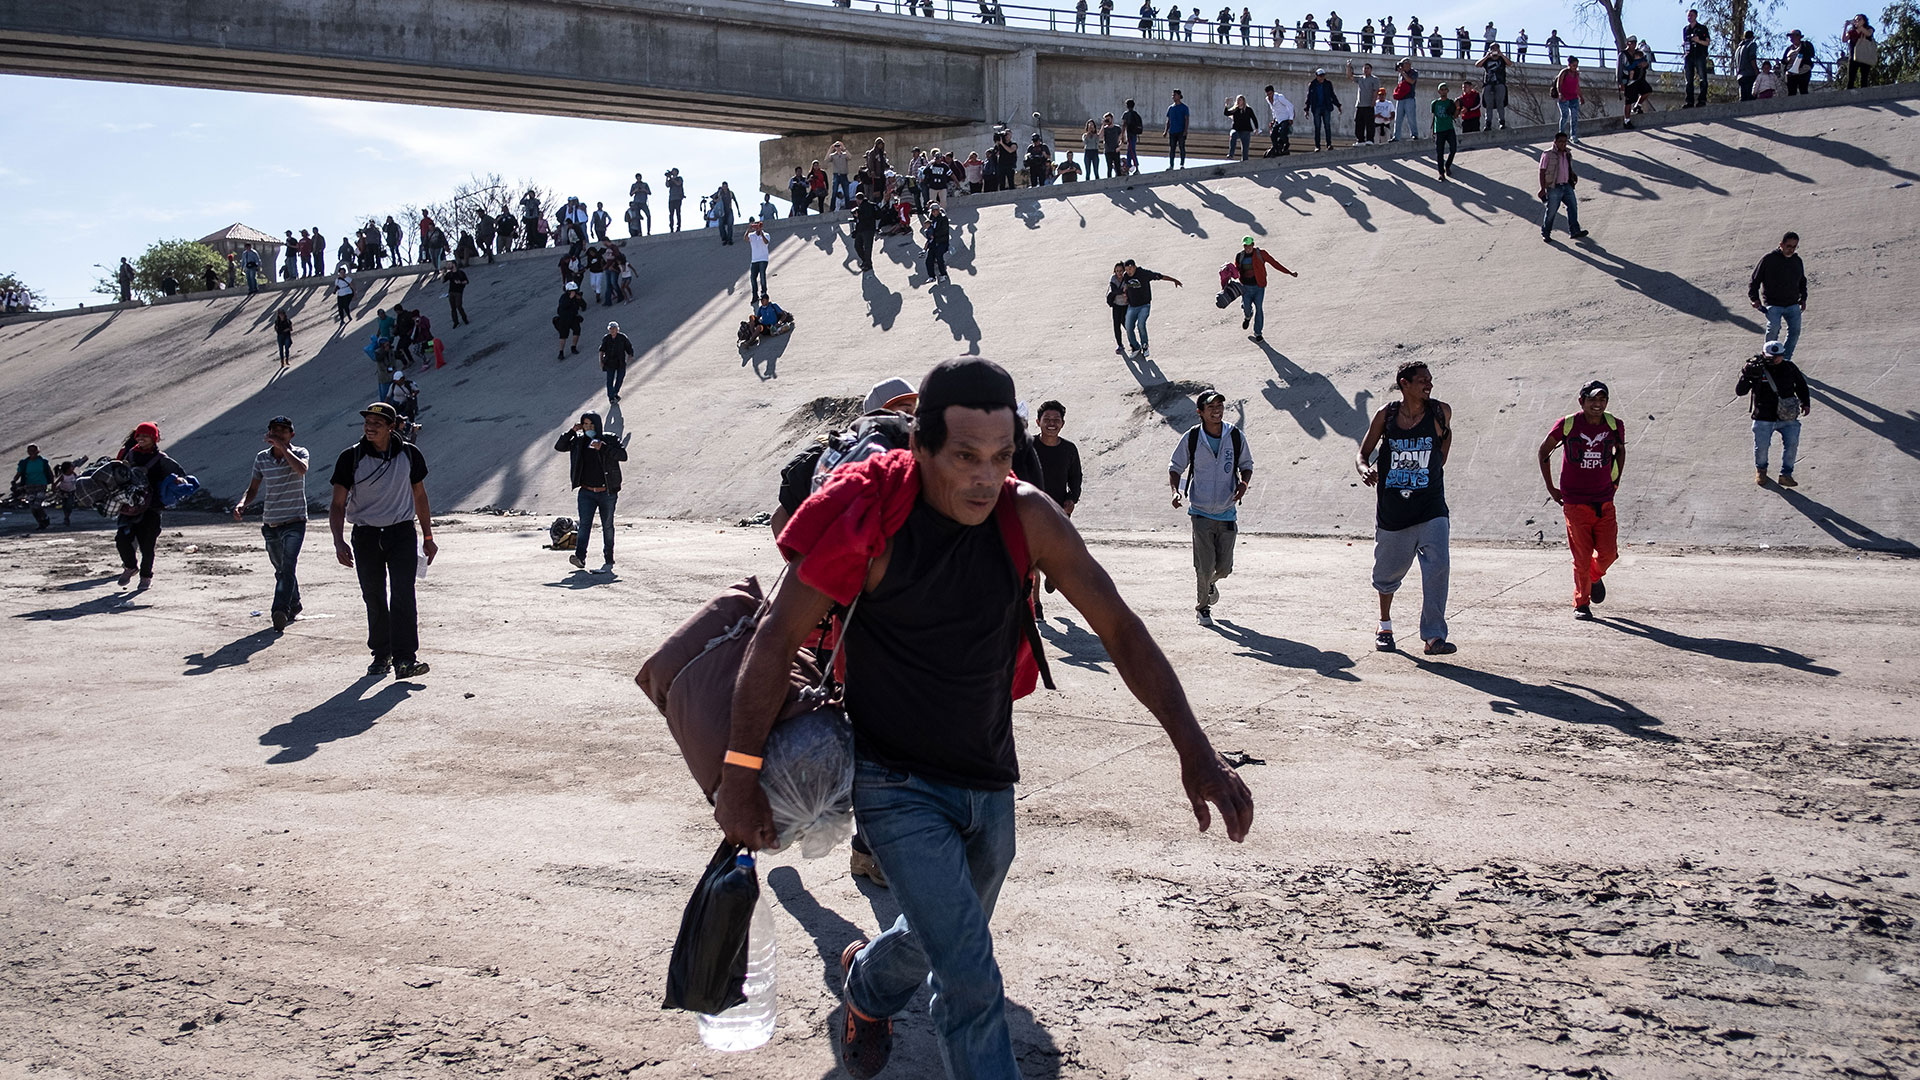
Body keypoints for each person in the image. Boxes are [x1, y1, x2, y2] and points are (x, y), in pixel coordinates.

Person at [717, 358, 1254, 1080]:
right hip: (892, 781)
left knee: (941, 931)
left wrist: (1195, 749)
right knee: (968, 974)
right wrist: (740, 771)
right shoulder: (871, 514)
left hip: (988, 776)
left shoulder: (1027, 516)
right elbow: (776, 635)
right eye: (965, 457)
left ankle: (867, 986)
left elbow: (1120, 628)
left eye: (1001, 457)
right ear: (921, 448)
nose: (983, 477)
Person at [330, 402, 434, 679]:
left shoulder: (410, 455)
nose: (370, 427)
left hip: (400, 533)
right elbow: (338, 504)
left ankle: (405, 659)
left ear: (391, 426)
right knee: (374, 596)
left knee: (403, 593)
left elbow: (420, 496)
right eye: (367, 422)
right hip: (365, 536)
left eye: (377, 423)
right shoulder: (350, 458)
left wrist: (428, 535)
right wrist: (338, 541)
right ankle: (381, 654)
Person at [1356, 361, 1454, 655]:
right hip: (1393, 510)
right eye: (1423, 380)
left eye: (1431, 380)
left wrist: (1421, 474)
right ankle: (1384, 625)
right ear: (1404, 383)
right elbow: (1363, 453)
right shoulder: (1386, 415)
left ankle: (1434, 636)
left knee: (1438, 569)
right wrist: (1364, 470)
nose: (1429, 384)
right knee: (1387, 575)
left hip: (1432, 507)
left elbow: (1442, 457)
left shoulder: (1440, 412)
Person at [1537, 382, 1626, 619]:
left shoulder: (1614, 424)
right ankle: (1581, 603)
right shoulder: (1568, 424)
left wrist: (1615, 482)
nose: (1597, 405)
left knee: (1609, 553)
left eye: (1602, 400)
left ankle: (1594, 576)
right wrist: (1551, 487)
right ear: (1582, 401)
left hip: (1604, 499)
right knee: (1582, 557)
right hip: (1575, 502)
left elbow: (1620, 450)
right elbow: (1543, 452)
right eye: (1592, 400)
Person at [1169, 390, 1253, 626]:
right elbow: (1175, 466)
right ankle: (1202, 608)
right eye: (1211, 407)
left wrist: (1244, 484)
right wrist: (1175, 491)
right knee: (1203, 566)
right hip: (1201, 511)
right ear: (1200, 412)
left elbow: (1247, 464)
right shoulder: (1192, 437)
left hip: (1227, 511)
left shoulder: (1235, 436)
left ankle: (1211, 583)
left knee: (1225, 568)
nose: (1217, 410)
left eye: (1220, 406)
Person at [233, 415, 311, 631]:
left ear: (291, 435)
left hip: (295, 520)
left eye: (283, 431)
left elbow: (301, 470)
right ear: (268, 434)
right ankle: (294, 604)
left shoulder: (300, 452)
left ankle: (280, 610)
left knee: (288, 566)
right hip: (271, 522)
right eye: (274, 430)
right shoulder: (261, 459)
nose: (278, 434)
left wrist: (283, 448)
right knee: (281, 570)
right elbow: (254, 489)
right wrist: (242, 504)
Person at [113, 423, 186, 589]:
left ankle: (145, 576)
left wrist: (178, 481)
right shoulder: (129, 455)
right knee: (121, 540)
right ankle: (130, 566)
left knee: (147, 546)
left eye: (145, 436)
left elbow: (180, 476)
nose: (141, 438)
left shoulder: (162, 460)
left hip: (152, 507)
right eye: (139, 435)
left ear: (154, 439)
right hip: (129, 506)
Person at [555, 412, 626, 573]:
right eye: (585, 424)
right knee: (584, 525)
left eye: (591, 425)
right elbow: (560, 446)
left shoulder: (609, 438)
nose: (588, 428)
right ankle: (580, 557)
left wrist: (604, 448)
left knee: (607, 525)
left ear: (597, 425)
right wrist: (572, 431)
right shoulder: (579, 441)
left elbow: (623, 456)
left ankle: (609, 556)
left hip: (606, 492)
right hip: (586, 492)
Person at [1738, 341, 1811, 487]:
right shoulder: (1757, 369)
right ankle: (1761, 470)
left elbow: (1801, 385)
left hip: (1788, 416)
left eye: (1779, 356)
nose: (1775, 359)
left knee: (1792, 444)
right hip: (1763, 417)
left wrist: (1806, 402)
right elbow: (1740, 391)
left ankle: (1786, 474)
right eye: (1772, 356)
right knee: (1762, 447)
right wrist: (1746, 375)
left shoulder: (1789, 367)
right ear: (1764, 355)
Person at [1749, 232, 1808, 361]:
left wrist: (1803, 299)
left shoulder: (1797, 261)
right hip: (1773, 304)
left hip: (1792, 304)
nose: (1791, 249)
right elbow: (1755, 280)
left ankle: (1785, 359)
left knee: (1795, 331)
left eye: (1794, 246)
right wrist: (1754, 299)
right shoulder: (1768, 259)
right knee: (1774, 329)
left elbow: (1802, 281)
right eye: (1788, 246)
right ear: (1781, 244)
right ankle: (1768, 357)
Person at [1230, 238, 1296, 344]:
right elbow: (1236, 271)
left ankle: (1258, 333)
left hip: (1259, 287)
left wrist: (1289, 272)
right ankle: (1247, 316)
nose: (1247, 248)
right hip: (1245, 288)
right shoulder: (1240, 256)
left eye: (1249, 246)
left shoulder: (1261, 254)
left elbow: (1274, 263)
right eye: (1245, 246)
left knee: (1259, 309)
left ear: (1253, 245)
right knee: (1246, 307)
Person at [1032, 401, 1082, 523]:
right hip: (1030, 511)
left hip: (1058, 512)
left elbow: (1075, 478)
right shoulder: (1027, 446)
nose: (1052, 423)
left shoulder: (1069, 449)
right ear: (1038, 422)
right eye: (1047, 419)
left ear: (1063, 423)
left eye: (1056, 420)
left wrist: (1071, 499)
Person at [1121, 259, 1180, 358]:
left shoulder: (1144, 273)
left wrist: (1174, 280)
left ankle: (1145, 346)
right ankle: (1135, 347)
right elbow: (1126, 284)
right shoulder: (1126, 276)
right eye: (1126, 270)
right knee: (1128, 327)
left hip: (1144, 305)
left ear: (1135, 267)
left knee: (1141, 324)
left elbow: (1160, 276)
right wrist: (1125, 291)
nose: (1129, 272)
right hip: (1132, 306)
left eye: (1130, 269)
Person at [1538, 131, 1588, 243]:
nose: (1563, 144)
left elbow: (1568, 167)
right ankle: (1546, 233)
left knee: (1573, 207)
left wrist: (1573, 175)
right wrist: (1542, 188)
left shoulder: (1567, 153)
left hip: (1566, 186)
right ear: (1555, 142)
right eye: (1560, 142)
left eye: (1565, 142)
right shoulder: (1547, 154)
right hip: (1554, 187)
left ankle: (1574, 231)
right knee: (1551, 211)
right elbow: (1542, 171)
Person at [12, 444, 55, 530]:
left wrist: (53, 484)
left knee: (37, 505)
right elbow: (19, 473)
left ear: (37, 451)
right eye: (30, 450)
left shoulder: (43, 462)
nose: (31, 452)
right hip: (29, 486)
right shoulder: (24, 463)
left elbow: (50, 473)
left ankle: (45, 518)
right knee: (32, 507)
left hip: (41, 485)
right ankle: (40, 523)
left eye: (33, 450)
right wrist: (14, 481)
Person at [1305, 69, 1342, 151]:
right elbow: (1309, 98)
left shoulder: (1328, 84)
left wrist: (1338, 105)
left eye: (1323, 76)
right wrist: (1306, 109)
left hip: (1326, 107)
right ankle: (1317, 146)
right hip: (1316, 108)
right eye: (1320, 76)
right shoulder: (1312, 85)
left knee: (1327, 126)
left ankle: (1329, 144)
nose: (1322, 77)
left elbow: (1332, 95)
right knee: (1317, 127)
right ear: (1317, 76)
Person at [599, 320, 635, 404]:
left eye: (614, 328)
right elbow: (601, 351)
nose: (612, 330)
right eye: (611, 329)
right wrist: (601, 362)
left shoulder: (622, 337)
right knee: (609, 380)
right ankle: (611, 397)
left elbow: (629, 347)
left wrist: (630, 355)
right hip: (609, 362)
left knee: (620, 378)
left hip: (620, 362)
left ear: (617, 329)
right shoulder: (606, 338)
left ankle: (615, 393)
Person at [1345, 61, 1381, 143]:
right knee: (1359, 123)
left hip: (1369, 105)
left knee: (1370, 123)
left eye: (1368, 68)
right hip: (1360, 105)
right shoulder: (1360, 78)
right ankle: (1360, 139)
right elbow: (1349, 76)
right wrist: (1348, 67)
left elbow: (1375, 91)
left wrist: (1373, 101)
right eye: (1364, 68)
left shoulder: (1375, 79)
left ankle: (1370, 139)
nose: (1366, 70)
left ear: (1371, 70)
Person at [1476, 43, 1510, 130]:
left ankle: (1502, 122)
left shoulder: (1502, 59)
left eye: (1496, 48)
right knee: (1488, 105)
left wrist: (1501, 55)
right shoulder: (1487, 60)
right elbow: (1477, 64)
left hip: (1500, 83)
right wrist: (1487, 56)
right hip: (1488, 84)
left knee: (1500, 104)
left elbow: (1510, 63)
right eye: (1492, 48)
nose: (1494, 50)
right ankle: (1488, 124)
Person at [1683, 8, 1711, 107]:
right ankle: (1689, 101)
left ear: (1696, 16)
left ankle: (1702, 100)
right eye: (1688, 15)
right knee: (1688, 80)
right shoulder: (1685, 29)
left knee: (1702, 78)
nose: (1689, 17)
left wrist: (1698, 40)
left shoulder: (1702, 28)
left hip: (1700, 55)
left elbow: (1707, 42)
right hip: (1689, 56)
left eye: (1691, 15)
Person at [849, 192, 882, 274]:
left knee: (864, 247)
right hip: (863, 230)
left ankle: (867, 263)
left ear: (859, 200)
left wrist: (858, 216)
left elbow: (868, 217)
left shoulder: (869, 206)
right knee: (861, 246)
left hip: (867, 229)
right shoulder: (864, 207)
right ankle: (866, 262)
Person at [1431, 82, 1458, 180]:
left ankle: (1448, 165)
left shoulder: (1450, 103)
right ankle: (1441, 173)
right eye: (1441, 89)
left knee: (1453, 149)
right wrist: (1433, 130)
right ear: (1439, 91)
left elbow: (1455, 115)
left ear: (1448, 91)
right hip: (1439, 130)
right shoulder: (1435, 103)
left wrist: (1457, 108)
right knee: (1439, 152)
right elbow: (1434, 116)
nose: (1443, 91)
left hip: (1449, 128)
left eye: (1445, 89)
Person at [553, 283, 587, 359]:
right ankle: (561, 352)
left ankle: (573, 347)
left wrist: (580, 299)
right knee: (563, 336)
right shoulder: (563, 298)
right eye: (573, 291)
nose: (574, 292)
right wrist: (570, 299)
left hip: (573, 318)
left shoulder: (576, 298)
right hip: (564, 319)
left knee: (577, 331)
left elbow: (584, 305)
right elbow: (563, 306)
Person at [1845, 14, 1878, 89]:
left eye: (1859, 19)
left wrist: (1860, 27)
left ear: (1864, 21)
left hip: (1865, 55)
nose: (1857, 21)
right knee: (1851, 78)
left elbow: (1868, 34)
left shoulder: (1869, 28)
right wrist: (1845, 27)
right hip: (1853, 56)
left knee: (1864, 77)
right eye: (1856, 20)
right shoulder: (1852, 32)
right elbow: (1844, 39)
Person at [1551, 55, 1580, 141]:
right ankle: (1562, 135)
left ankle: (1573, 135)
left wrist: (1581, 96)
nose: (1575, 67)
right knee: (1565, 116)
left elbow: (1577, 86)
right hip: (1564, 97)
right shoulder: (1564, 72)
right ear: (1569, 64)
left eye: (1576, 65)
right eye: (1574, 65)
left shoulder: (1576, 74)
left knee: (1574, 116)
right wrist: (1560, 93)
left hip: (1574, 97)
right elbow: (1558, 84)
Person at [1223, 94, 1258, 161]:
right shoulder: (1235, 109)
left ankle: (1244, 161)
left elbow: (1254, 118)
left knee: (1245, 148)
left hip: (1246, 131)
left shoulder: (1248, 110)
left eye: (1240, 100)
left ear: (1243, 101)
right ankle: (1231, 155)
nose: (1238, 101)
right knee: (1233, 135)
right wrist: (1226, 105)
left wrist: (1256, 128)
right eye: (1237, 100)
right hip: (1236, 129)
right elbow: (1226, 113)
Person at [1263, 83, 1295, 156]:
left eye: (1270, 94)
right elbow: (1273, 110)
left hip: (1285, 118)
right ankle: (1276, 149)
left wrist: (1291, 118)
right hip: (1278, 119)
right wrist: (1273, 120)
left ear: (1273, 92)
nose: (1270, 96)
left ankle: (1286, 143)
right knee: (1273, 134)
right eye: (1268, 94)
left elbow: (1290, 105)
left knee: (1283, 132)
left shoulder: (1279, 97)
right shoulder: (1267, 99)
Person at [923, 204, 951, 283]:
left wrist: (934, 234)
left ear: (938, 210)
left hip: (942, 242)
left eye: (935, 211)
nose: (934, 213)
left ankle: (943, 274)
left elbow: (944, 231)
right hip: (934, 243)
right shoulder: (932, 218)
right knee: (929, 260)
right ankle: (931, 276)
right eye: (932, 211)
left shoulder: (943, 218)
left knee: (939, 258)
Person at [1783, 30, 1815, 95]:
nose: (1791, 38)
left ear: (1799, 36)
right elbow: (1783, 60)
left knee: (1803, 90)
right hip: (1791, 73)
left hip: (1803, 71)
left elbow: (1811, 54)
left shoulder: (1806, 45)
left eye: (1793, 36)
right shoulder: (1789, 49)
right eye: (1791, 37)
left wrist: (1801, 58)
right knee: (1791, 92)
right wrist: (1787, 60)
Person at [745, 219, 771, 299]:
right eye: (755, 226)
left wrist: (761, 233)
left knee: (762, 276)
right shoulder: (752, 235)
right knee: (753, 278)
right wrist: (748, 229)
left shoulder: (766, 234)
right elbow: (746, 239)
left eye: (758, 226)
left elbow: (766, 242)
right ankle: (755, 294)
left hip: (763, 259)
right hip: (754, 260)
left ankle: (763, 292)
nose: (757, 227)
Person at [1165, 89, 1190, 169]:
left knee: (1181, 147)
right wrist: (1165, 131)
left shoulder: (1184, 108)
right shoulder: (1170, 108)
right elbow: (1168, 120)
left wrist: (1185, 131)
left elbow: (1186, 119)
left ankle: (1182, 164)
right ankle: (1171, 165)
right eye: (1172, 95)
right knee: (1172, 148)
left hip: (1181, 131)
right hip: (1172, 131)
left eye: (1174, 95)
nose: (1173, 97)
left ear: (1179, 96)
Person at [1736, 30, 1761, 100]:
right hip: (1749, 74)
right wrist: (1756, 70)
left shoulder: (1738, 48)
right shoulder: (1751, 44)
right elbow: (1752, 58)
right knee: (1751, 97)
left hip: (1740, 76)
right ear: (1752, 37)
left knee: (1743, 98)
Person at [1122, 98, 1144, 170]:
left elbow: (1124, 125)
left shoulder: (1126, 114)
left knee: (1131, 150)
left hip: (1130, 134)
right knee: (1130, 150)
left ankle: (1134, 165)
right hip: (1134, 134)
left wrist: (1123, 135)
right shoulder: (1135, 114)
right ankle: (1130, 164)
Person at [666, 168, 685, 232]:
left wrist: (672, 179)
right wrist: (667, 178)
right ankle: (671, 227)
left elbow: (678, 184)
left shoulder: (679, 178)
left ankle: (678, 227)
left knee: (678, 213)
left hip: (678, 198)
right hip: (671, 198)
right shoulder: (671, 180)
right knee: (671, 214)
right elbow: (667, 185)